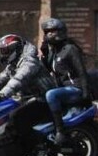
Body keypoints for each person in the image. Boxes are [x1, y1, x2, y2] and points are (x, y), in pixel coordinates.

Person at [0, 34, 56, 152]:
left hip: (43, 98)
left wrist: (3, 94)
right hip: (29, 98)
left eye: (5, 51)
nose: (2, 54)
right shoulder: (14, 64)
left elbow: (18, 79)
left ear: (14, 49)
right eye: (2, 51)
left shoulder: (29, 62)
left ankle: (36, 148)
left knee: (16, 118)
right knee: (4, 114)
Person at [39, 18, 91, 146]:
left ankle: (60, 131)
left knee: (51, 95)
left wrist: (86, 91)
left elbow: (81, 71)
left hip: (75, 88)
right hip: (64, 88)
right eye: (47, 32)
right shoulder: (55, 52)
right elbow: (49, 69)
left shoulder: (70, 49)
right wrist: (45, 54)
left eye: (52, 31)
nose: (49, 34)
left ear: (60, 32)